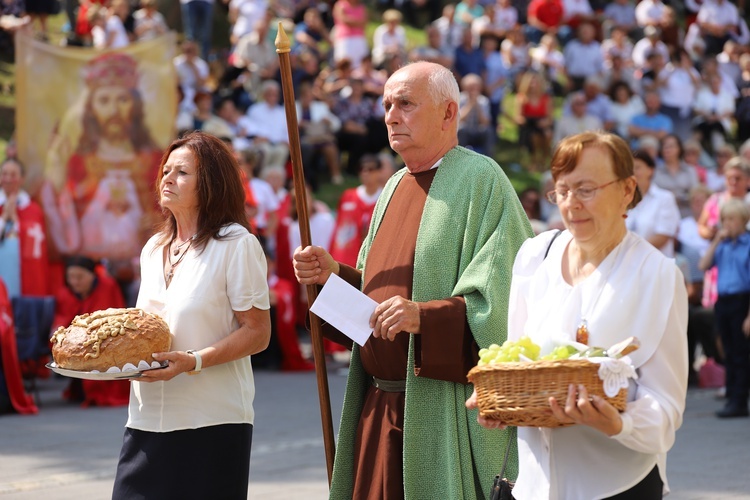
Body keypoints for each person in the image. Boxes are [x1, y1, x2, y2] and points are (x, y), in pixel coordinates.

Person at [293, 61, 532, 499]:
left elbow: (503, 300)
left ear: (448, 113)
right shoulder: (393, 186)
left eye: (405, 103)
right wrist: (333, 277)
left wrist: (424, 318)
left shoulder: (483, 181)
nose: (390, 115)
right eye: (386, 104)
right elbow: (376, 297)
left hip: (439, 411)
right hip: (377, 408)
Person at [468, 130, 688, 498]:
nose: (571, 204)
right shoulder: (534, 257)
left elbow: (667, 408)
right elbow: (519, 361)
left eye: (586, 189)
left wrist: (620, 424)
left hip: (617, 485)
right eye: (563, 190)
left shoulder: (657, 275)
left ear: (627, 190)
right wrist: (503, 405)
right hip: (535, 486)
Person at [111, 132, 271, 499]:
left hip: (211, 421)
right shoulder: (154, 248)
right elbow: (144, 329)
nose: (167, 178)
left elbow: (258, 332)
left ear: (211, 183)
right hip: (146, 418)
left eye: (181, 172)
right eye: (166, 170)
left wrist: (193, 361)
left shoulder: (236, 244)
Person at [40, 52, 162, 264]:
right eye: (104, 100)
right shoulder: (77, 162)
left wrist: (158, 223)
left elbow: (171, 210)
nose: (114, 110)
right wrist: (57, 182)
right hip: (88, 266)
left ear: (134, 106)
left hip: (142, 265)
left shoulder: (156, 159)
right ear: (91, 108)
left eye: (122, 99)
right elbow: (61, 216)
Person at [51, 256, 130, 406]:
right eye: (70, 277)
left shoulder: (107, 286)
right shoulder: (65, 293)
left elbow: (115, 317)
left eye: (79, 277)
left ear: (92, 275)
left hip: (104, 336)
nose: (75, 282)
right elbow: (61, 319)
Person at [699, 198, 750, 418]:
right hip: (724, 301)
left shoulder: (747, 244)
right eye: (724, 219)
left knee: (740, 352)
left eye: (731, 219)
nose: (727, 224)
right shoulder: (722, 245)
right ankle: (731, 395)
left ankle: (739, 401)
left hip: (742, 300)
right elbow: (703, 265)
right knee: (727, 350)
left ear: (743, 221)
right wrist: (716, 241)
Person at [0, 158, 49, 298]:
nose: (8, 179)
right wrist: (4, 217)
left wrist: (15, 220)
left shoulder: (32, 209)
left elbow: (35, 243)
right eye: (4, 174)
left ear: (22, 179)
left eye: (13, 175)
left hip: (24, 272)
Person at [627, 149, 681, 257]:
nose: (633, 173)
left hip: (655, 265)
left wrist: (631, 252)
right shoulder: (622, 200)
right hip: (627, 266)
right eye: (629, 169)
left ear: (650, 170)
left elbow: (663, 235)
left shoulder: (665, 198)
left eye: (637, 168)